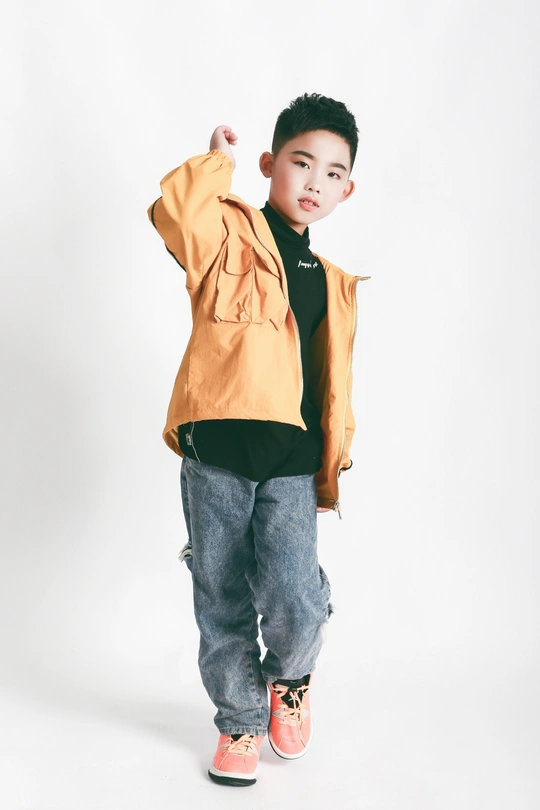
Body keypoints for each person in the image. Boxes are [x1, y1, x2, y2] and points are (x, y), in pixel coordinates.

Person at [147, 93, 370, 787]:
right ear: (270, 165)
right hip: (216, 451)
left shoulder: (331, 283)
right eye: (301, 163)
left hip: (291, 462)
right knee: (221, 594)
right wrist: (218, 161)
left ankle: (290, 680)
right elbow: (177, 214)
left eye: (332, 173)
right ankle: (239, 721)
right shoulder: (228, 234)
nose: (314, 182)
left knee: (295, 595)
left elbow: (328, 385)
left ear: (346, 190)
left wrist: (335, 453)